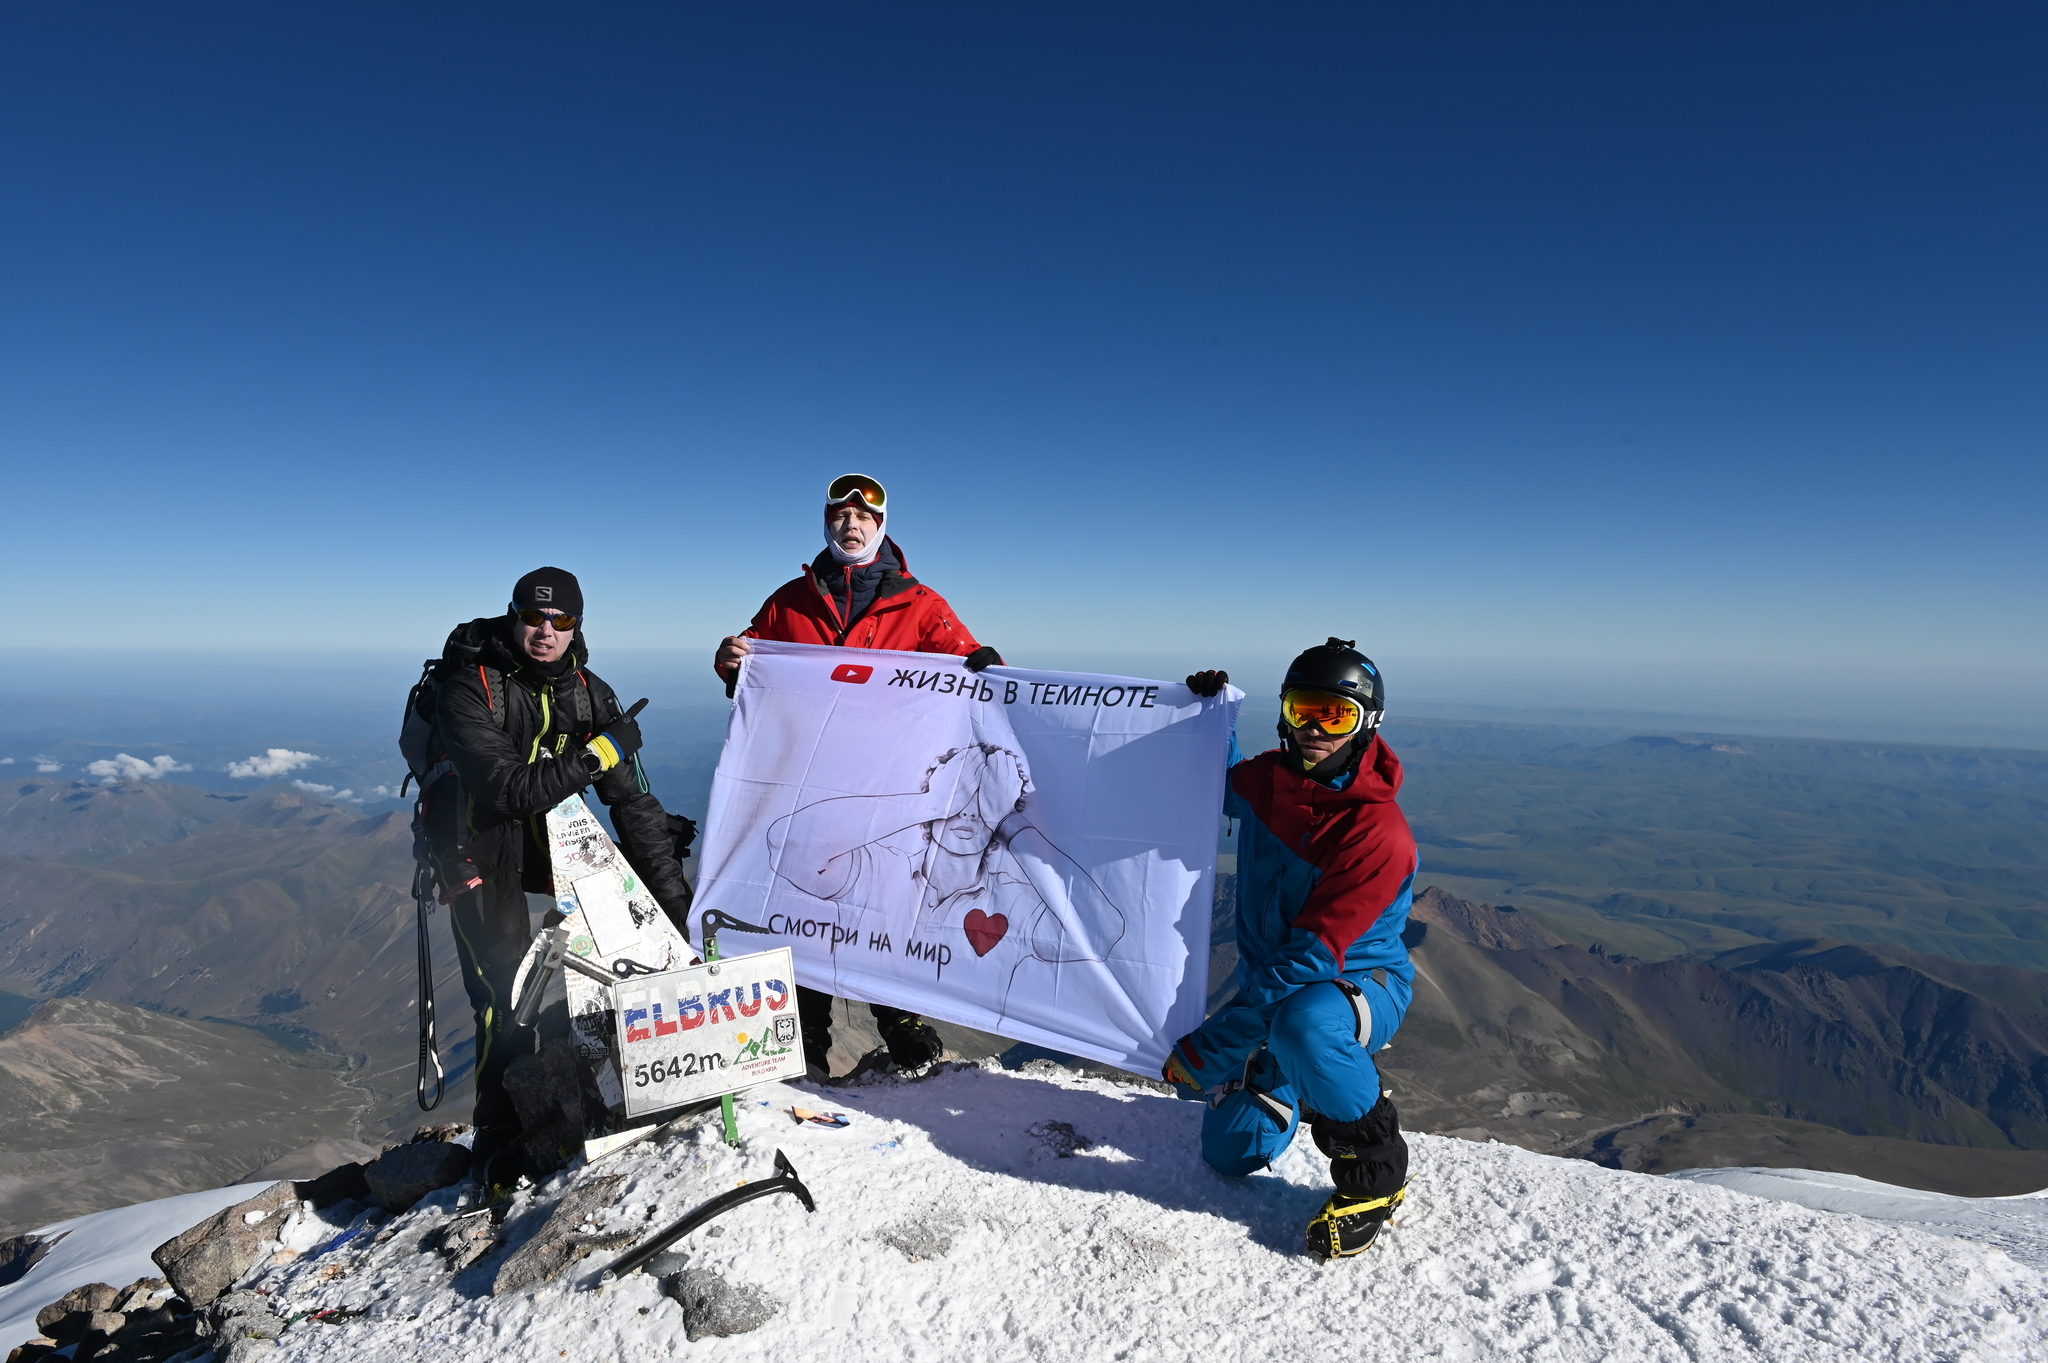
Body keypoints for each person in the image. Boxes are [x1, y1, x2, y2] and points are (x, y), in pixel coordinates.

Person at [714, 473, 1001, 1075]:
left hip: (885, 778)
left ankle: (896, 1015)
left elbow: (968, 667)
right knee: (804, 893)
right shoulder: (789, 600)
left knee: (884, 894)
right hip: (804, 776)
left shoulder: (921, 604)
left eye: (863, 516)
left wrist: (986, 666)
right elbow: (752, 668)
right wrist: (732, 661)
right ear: (826, 524)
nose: (851, 524)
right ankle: (807, 1026)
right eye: (840, 516)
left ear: (882, 526)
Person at [429, 567, 694, 1179]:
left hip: (553, 849)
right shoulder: (470, 687)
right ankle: (497, 1141)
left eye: (562, 621)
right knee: (503, 993)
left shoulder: (587, 692)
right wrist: (605, 748)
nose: (546, 631)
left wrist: (673, 905)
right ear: (513, 615)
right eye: (533, 617)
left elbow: (636, 807)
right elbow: (510, 791)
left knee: (625, 953)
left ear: (578, 627)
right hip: (476, 848)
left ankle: (632, 1087)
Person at [1171, 639, 1417, 1260]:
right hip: (1280, 987)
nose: (1313, 728)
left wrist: (1212, 1046)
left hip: (1359, 983)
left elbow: (1307, 962)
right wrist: (1208, 718)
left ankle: (1376, 1168)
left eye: (1335, 715)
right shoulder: (1271, 780)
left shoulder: (1376, 834)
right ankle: (1295, 1082)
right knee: (1229, 1153)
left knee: (1305, 1023)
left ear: (1366, 725)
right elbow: (1215, 792)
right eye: (1303, 707)